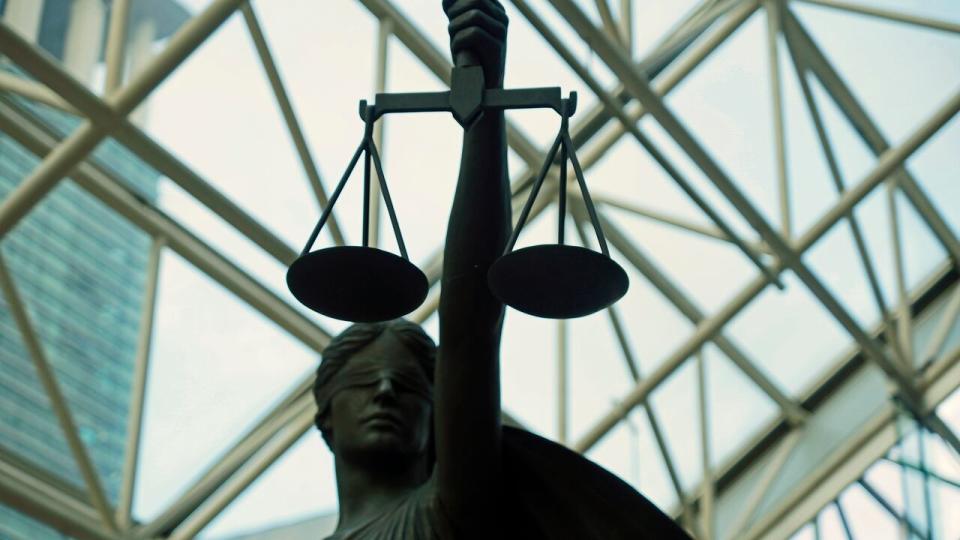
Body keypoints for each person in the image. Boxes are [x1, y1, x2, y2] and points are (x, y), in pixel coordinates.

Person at [312, 1, 691, 538]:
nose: (387, 392)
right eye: (365, 381)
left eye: (409, 386)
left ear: (439, 415)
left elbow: (469, 330)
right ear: (324, 412)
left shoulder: (445, 515)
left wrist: (485, 105)